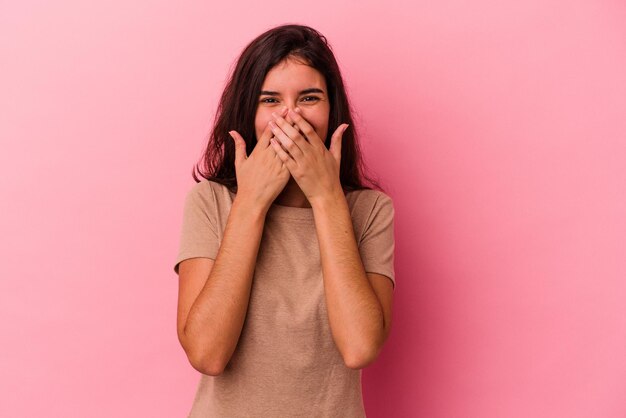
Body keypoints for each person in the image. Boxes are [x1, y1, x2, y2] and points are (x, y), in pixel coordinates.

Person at [173, 24, 395, 417]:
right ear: (247, 111)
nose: (290, 117)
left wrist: (326, 199)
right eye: (270, 100)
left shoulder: (371, 211)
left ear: (333, 110)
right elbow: (207, 354)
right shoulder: (210, 202)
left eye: (309, 97)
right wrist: (250, 204)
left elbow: (360, 347)